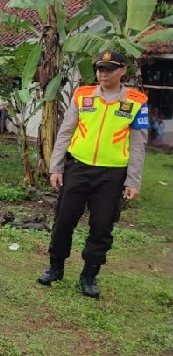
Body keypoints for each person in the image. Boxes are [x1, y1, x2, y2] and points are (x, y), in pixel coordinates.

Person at [37, 51, 149, 298]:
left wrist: (133, 180)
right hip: (78, 168)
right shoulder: (83, 95)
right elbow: (66, 132)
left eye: (109, 69)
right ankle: (55, 267)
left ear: (122, 72)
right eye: (100, 69)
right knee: (64, 219)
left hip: (112, 175)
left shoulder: (137, 100)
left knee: (102, 225)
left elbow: (139, 144)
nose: (103, 74)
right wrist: (56, 167)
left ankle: (89, 275)